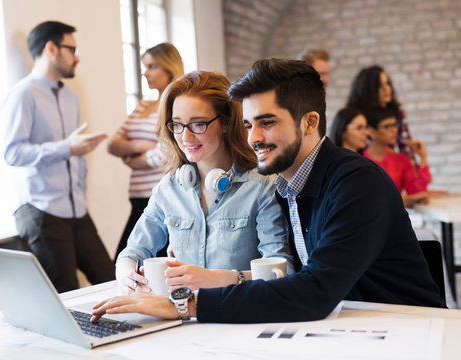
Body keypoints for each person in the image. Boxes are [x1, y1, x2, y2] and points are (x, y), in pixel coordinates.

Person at [91, 59, 445, 324]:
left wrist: (184, 305)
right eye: (248, 124)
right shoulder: (290, 188)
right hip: (344, 326)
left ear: (310, 122)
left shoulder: (356, 183)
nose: (253, 138)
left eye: (267, 122)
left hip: (409, 331)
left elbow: (314, 291)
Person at [115, 70, 293, 294]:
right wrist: (127, 274)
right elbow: (132, 253)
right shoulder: (168, 189)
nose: (186, 137)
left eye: (198, 124)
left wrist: (216, 278)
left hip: (240, 314)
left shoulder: (261, 187)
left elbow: (283, 271)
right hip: (183, 315)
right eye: (177, 125)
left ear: (226, 123)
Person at [2, 21, 114, 293]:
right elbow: (13, 153)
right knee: (67, 294)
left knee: (111, 280)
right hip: (42, 210)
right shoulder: (23, 94)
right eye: (72, 49)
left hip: (76, 210)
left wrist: (77, 150)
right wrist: (67, 148)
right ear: (51, 48)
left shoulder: (70, 97)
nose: (77, 57)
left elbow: (71, 149)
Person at [107, 43, 184, 260]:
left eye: (151, 66)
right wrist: (140, 147)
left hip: (160, 195)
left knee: (141, 261)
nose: (145, 72)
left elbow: (165, 155)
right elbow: (113, 144)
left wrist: (132, 160)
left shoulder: (174, 103)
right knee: (130, 259)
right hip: (137, 197)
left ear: (168, 68)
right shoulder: (142, 106)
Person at [362, 106, 431, 208]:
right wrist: (404, 200)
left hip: (394, 219)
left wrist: (423, 158)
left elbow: (418, 194)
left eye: (394, 125)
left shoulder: (401, 159)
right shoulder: (360, 159)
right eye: (387, 126)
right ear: (372, 131)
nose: (394, 130)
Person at [346, 65, 415, 161]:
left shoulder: (397, 112)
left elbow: (405, 145)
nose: (386, 88)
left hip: (390, 167)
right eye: (379, 85)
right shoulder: (356, 116)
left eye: (387, 83)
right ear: (367, 89)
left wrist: (410, 170)